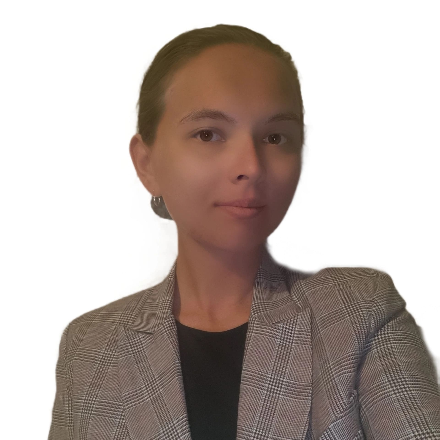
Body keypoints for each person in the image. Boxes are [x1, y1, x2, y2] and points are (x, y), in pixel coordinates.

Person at [48, 24, 440, 440]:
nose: (251, 166)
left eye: (275, 137)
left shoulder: (358, 313)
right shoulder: (90, 346)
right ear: (147, 163)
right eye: (208, 134)